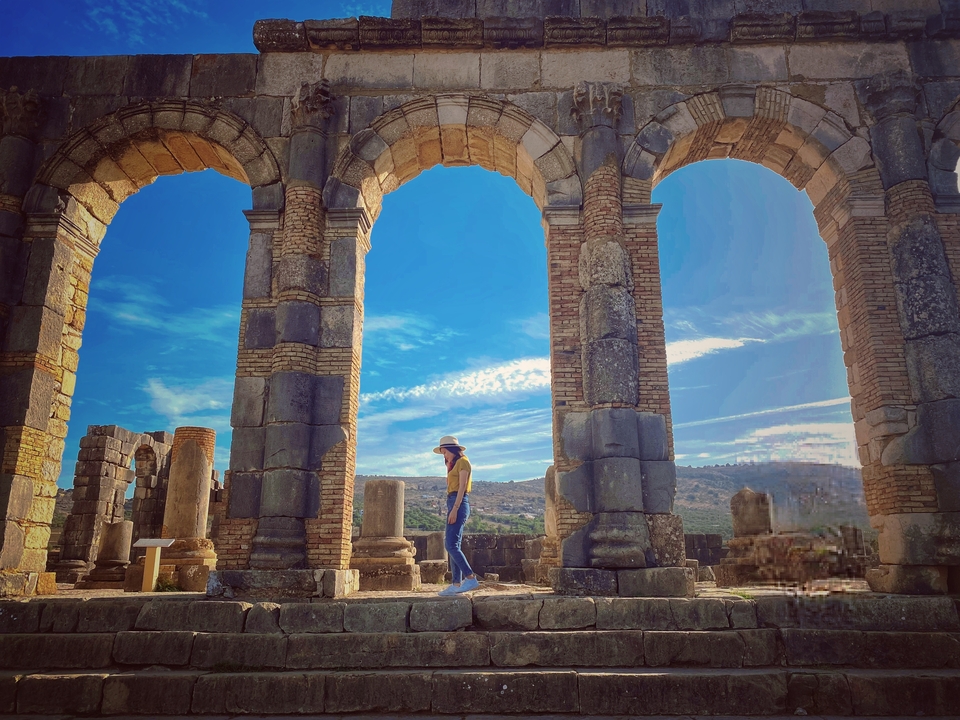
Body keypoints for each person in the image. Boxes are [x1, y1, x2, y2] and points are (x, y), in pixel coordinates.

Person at [434, 435, 479, 595]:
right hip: (453, 502)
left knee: (450, 545)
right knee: (454, 544)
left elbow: (462, 488)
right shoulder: (454, 464)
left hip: (458, 503)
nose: (444, 456)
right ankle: (457, 584)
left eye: (444, 452)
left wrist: (454, 509)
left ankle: (470, 577)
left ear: (451, 450)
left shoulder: (463, 462)